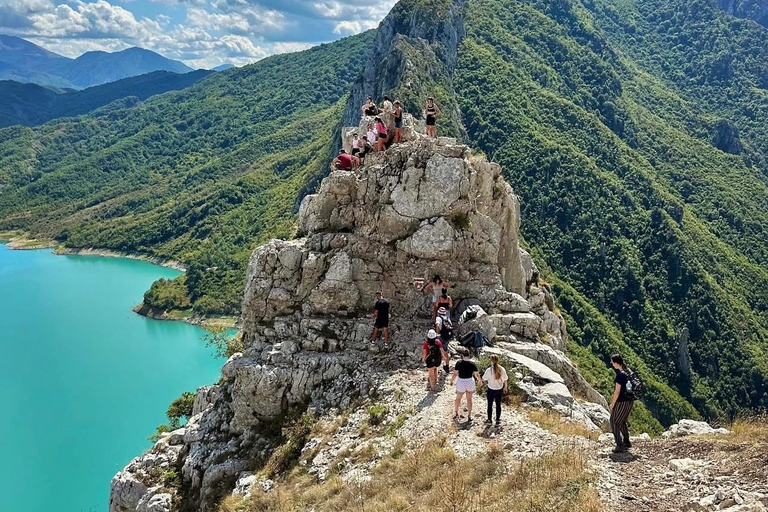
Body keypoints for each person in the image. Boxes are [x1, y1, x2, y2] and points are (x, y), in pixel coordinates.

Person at [609, 354, 635, 453]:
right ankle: (627, 441)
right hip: (630, 401)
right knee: (622, 420)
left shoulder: (620, 375)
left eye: (612, 363)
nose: (612, 365)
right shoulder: (628, 371)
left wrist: (612, 404)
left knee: (614, 421)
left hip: (622, 402)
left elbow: (617, 392)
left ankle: (619, 445)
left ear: (616, 363)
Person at [451, 347, 483, 422]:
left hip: (461, 381)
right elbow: (477, 375)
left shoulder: (459, 363)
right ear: (469, 355)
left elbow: (455, 373)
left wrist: (452, 380)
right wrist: (480, 381)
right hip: (469, 381)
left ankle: (456, 412)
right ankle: (469, 415)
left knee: (458, 398)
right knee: (469, 399)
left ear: (462, 355)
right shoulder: (472, 364)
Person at [482, 355, 508, 426]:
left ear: (491, 361)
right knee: (498, 405)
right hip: (499, 389)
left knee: (490, 405)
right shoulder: (502, 369)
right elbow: (505, 380)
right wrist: (505, 388)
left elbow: (484, 379)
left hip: (491, 389)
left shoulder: (489, 370)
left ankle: (489, 420)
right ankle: (497, 420)